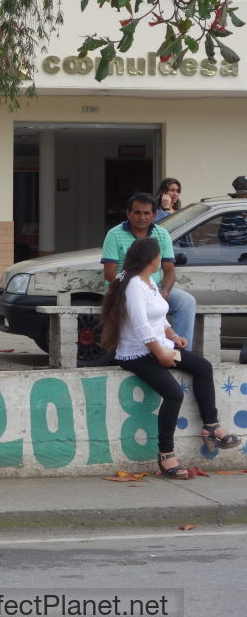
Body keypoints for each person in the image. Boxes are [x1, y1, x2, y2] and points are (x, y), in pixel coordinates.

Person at [100, 237, 240, 478]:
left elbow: (159, 315)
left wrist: (173, 336)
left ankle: (211, 426)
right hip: (137, 353)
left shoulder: (149, 282)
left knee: (203, 367)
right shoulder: (133, 284)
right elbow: (142, 327)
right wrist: (161, 355)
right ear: (151, 258)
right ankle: (166, 456)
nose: (161, 260)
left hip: (160, 346)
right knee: (174, 394)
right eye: (159, 256)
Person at [101, 192, 195, 345]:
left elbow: (169, 270)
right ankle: (151, 352)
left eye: (146, 213)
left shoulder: (162, 234)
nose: (142, 217)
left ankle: (181, 350)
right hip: (123, 289)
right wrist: (132, 289)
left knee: (186, 302)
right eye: (137, 212)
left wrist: (164, 291)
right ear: (128, 214)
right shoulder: (114, 234)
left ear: (154, 214)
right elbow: (109, 273)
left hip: (154, 289)